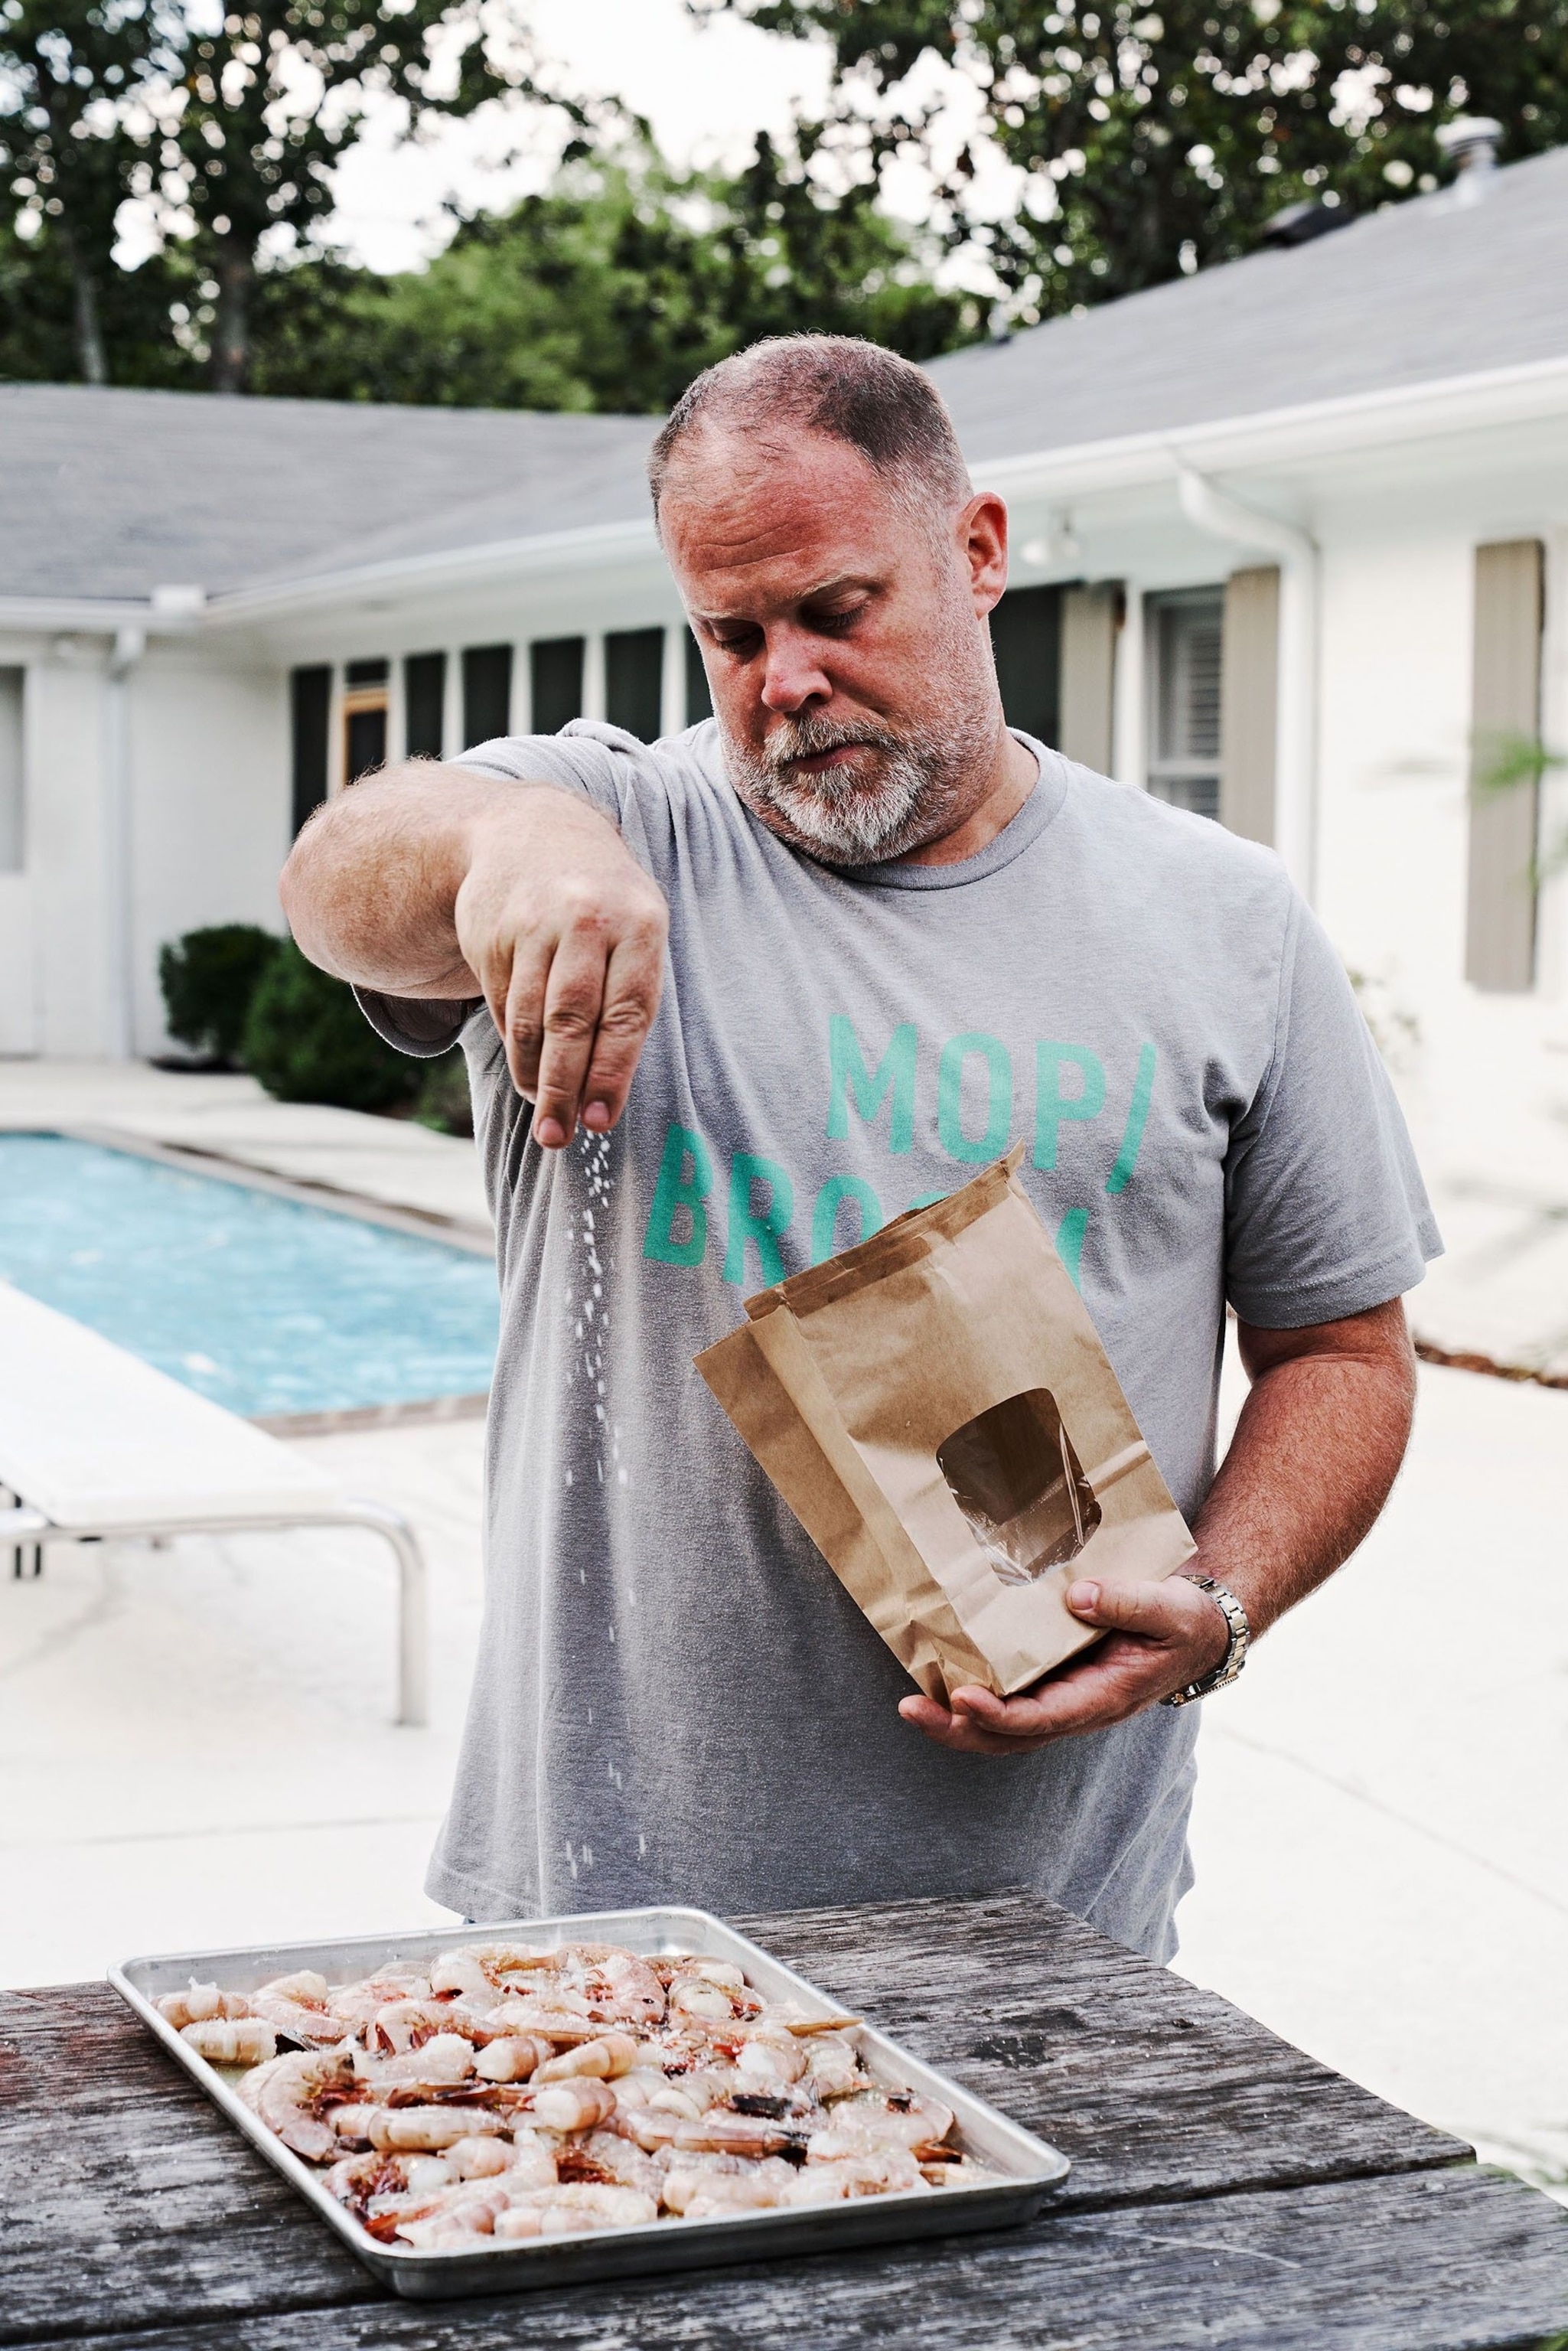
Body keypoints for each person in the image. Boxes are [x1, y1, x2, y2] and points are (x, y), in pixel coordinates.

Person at [281, 336, 1437, 1959]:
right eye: (729, 635)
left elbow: (1343, 1351)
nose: (782, 682)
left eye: (833, 612)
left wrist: (1220, 1604)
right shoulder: (620, 834)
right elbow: (337, 878)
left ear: (976, 551)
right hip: (604, 1922)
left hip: (1057, 1930)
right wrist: (507, 836)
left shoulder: (1220, 919)